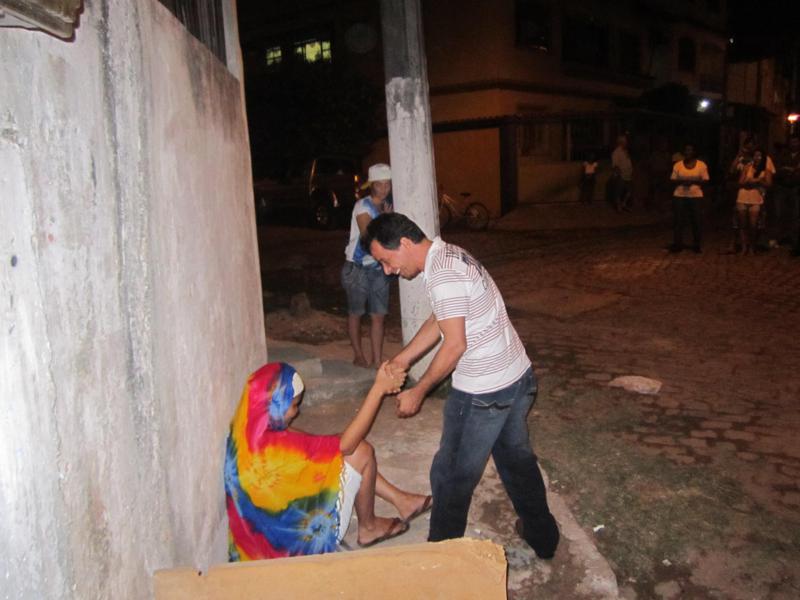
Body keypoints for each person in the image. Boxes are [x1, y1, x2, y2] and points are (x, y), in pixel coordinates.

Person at [363, 213, 560, 560]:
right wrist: (402, 360)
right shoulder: (449, 255)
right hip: (515, 378)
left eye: (386, 260)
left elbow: (454, 344)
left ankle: (442, 559)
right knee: (515, 461)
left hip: (484, 393)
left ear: (405, 243)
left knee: (451, 475)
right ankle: (543, 537)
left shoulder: (442, 274)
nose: (388, 271)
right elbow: (440, 319)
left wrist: (419, 390)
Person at [224, 361, 432, 560]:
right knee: (361, 451)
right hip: (296, 547)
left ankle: (402, 500)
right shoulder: (275, 451)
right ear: (279, 405)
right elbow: (346, 446)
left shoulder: (248, 429)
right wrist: (378, 390)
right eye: (294, 405)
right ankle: (369, 527)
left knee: (339, 450)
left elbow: (314, 442)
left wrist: (335, 443)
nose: (297, 411)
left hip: (265, 539)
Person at [341, 163, 394, 368]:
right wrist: (386, 220)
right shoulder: (363, 206)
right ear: (371, 185)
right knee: (356, 313)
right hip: (357, 267)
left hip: (379, 267)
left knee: (378, 316)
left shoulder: (387, 206)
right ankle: (358, 354)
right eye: (379, 184)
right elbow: (367, 237)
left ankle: (377, 360)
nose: (384, 188)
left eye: (387, 184)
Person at [668, 144, 709, 253]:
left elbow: (705, 179)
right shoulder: (678, 165)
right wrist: (683, 181)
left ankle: (696, 244)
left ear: (694, 152)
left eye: (690, 150)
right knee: (678, 220)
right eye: (686, 150)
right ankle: (677, 244)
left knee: (696, 220)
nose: (688, 152)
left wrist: (693, 181)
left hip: (695, 196)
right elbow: (672, 179)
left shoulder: (701, 165)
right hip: (680, 195)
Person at [736, 148, 773, 256]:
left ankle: (752, 246)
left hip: (756, 198)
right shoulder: (747, 167)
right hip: (743, 196)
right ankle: (744, 247)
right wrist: (750, 182)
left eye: (760, 156)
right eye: (755, 155)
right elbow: (740, 182)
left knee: (753, 225)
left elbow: (769, 184)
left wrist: (758, 181)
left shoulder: (766, 170)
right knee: (742, 224)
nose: (757, 158)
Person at [771, 134, 800, 255]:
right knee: (779, 214)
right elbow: (776, 170)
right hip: (782, 187)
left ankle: (795, 240)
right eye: (792, 142)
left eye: (796, 142)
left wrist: (791, 171)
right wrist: (789, 170)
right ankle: (777, 237)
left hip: (796, 188)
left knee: (796, 215)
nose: (794, 144)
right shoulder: (782, 155)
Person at [611, 135, 633, 211]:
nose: (627, 143)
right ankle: (619, 206)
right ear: (621, 142)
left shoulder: (625, 151)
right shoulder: (616, 152)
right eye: (625, 141)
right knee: (619, 191)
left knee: (629, 191)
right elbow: (615, 165)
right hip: (621, 175)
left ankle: (623, 203)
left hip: (628, 174)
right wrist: (618, 174)